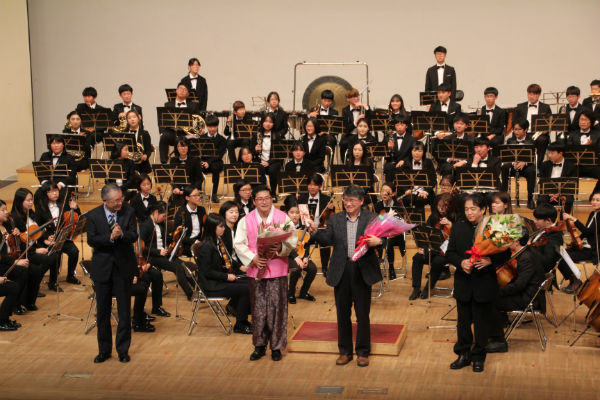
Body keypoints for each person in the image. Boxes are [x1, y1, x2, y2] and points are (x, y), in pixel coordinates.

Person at [308, 185, 383, 367]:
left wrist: (379, 241)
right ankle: (345, 351)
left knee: (362, 314)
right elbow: (327, 239)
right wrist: (314, 231)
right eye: (345, 200)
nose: (348, 203)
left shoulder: (371, 218)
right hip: (341, 269)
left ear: (361, 201)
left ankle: (363, 352)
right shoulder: (335, 219)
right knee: (342, 314)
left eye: (352, 200)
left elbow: (386, 237)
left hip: (362, 270)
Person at [446, 193, 510, 373]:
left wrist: (490, 260)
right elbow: (450, 252)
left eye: (473, 209)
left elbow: (506, 254)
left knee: (482, 324)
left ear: (483, 209)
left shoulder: (495, 226)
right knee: (463, 323)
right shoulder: (458, 227)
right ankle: (463, 354)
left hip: (484, 282)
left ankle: (479, 357)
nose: (469, 213)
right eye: (466, 209)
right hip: (464, 282)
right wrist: (461, 262)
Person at [234, 185, 296, 361]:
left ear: (271, 199)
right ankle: (259, 345)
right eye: (259, 199)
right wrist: (252, 257)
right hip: (256, 269)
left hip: (278, 268)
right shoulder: (246, 220)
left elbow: (292, 240)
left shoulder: (283, 217)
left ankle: (276, 347)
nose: (264, 202)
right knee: (258, 309)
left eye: (267, 198)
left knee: (278, 309)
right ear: (254, 201)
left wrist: (280, 247)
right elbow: (239, 243)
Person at [86, 183, 138, 363]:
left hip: (123, 268)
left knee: (124, 312)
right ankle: (104, 350)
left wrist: (121, 234)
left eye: (121, 199)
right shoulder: (93, 215)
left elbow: (134, 235)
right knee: (103, 312)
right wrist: (110, 237)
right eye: (116, 201)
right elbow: (92, 240)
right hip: (102, 269)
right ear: (105, 201)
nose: (120, 203)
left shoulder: (128, 211)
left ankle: (123, 350)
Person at [486, 231, 545, 353]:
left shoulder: (526, 258)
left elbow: (519, 285)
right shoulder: (526, 252)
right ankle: (499, 325)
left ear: (517, 242)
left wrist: (496, 291)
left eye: (510, 240)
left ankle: (499, 341)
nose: (507, 243)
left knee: (489, 301)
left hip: (528, 299)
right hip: (528, 294)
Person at [196, 213, 252, 334]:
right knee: (247, 289)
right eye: (221, 226)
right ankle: (240, 324)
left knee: (250, 282)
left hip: (218, 280)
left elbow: (227, 260)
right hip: (210, 286)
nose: (224, 229)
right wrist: (226, 276)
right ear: (212, 228)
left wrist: (240, 267)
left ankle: (237, 312)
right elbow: (207, 271)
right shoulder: (206, 246)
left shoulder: (217, 241)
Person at [139, 201, 185, 312]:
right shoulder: (145, 226)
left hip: (163, 254)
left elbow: (165, 239)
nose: (164, 219)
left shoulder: (161, 224)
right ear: (155, 212)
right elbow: (141, 248)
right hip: (151, 257)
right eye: (163, 216)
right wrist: (158, 252)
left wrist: (177, 234)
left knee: (182, 264)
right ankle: (190, 294)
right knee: (176, 267)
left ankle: (156, 307)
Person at [11, 188, 59, 294]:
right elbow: (20, 240)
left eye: (31, 199)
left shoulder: (31, 213)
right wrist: (36, 250)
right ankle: (33, 284)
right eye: (28, 200)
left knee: (54, 253)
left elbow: (36, 231)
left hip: (33, 246)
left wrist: (46, 240)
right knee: (49, 259)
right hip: (25, 251)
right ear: (20, 201)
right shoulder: (15, 218)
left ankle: (43, 283)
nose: (31, 202)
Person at [34, 181, 81, 285]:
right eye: (51, 191)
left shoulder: (64, 204)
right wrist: (46, 238)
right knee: (56, 255)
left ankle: (70, 276)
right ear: (45, 193)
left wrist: (76, 208)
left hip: (63, 237)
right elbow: (37, 228)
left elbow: (78, 216)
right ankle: (53, 282)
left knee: (74, 251)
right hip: (48, 240)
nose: (55, 193)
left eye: (56, 190)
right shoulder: (41, 209)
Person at [409, 193, 454, 300]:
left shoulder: (455, 217)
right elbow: (426, 233)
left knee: (437, 261)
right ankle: (416, 288)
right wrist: (423, 247)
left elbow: (460, 235)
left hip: (447, 252)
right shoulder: (433, 217)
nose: (441, 209)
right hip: (433, 249)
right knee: (417, 258)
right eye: (439, 206)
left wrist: (451, 224)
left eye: (444, 207)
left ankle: (428, 288)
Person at [559, 192, 600, 293]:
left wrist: (574, 219)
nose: (594, 202)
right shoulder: (593, 213)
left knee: (563, 258)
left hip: (593, 251)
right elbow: (585, 233)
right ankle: (574, 278)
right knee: (560, 254)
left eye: (598, 200)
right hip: (585, 246)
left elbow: (588, 232)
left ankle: (575, 282)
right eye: (593, 200)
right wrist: (575, 242)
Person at [298, 174, 334, 277]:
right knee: (301, 239)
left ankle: (325, 267)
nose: (312, 187)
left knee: (326, 240)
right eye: (310, 184)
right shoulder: (301, 198)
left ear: (320, 186)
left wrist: (331, 209)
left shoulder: (327, 199)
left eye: (315, 185)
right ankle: (302, 265)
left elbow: (330, 218)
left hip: (320, 230)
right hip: (305, 229)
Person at [0, 199, 29, 328]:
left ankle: (12, 308)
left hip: (6, 261)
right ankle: (2, 319)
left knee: (23, 272)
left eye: (6, 209)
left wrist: (18, 235)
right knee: (13, 287)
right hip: (3, 263)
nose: (6, 212)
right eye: (3, 210)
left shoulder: (6, 226)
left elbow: (14, 245)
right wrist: (16, 261)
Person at [283, 196, 317, 304]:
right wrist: (296, 257)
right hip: (288, 255)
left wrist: (306, 257)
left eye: (297, 212)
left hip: (301, 253)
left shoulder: (304, 226)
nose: (295, 215)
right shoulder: (284, 226)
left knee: (312, 269)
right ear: (287, 213)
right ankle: (291, 293)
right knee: (296, 268)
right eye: (292, 212)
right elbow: (286, 244)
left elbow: (306, 243)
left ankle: (304, 292)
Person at [158, 82, 201, 163]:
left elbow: (197, 121)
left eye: (185, 90)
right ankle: (164, 163)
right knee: (164, 137)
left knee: (194, 139)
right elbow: (162, 119)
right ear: (176, 90)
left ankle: (191, 163)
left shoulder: (193, 105)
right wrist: (161, 132)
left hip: (186, 133)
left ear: (188, 94)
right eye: (181, 89)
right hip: (172, 132)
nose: (182, 91)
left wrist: (196, 130)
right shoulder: (168, 105)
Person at [500, 120, 537, 209]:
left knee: (532, 171)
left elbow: (533, 156)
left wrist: (524, 162)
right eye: (515, 129)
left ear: (526, 129)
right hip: (513, 165)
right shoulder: (510, 140)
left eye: (519, 129)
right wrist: (513, 163)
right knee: (504, 167)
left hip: (526, 166)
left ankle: (530, 198)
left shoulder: (532, 141)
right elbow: (508, 156)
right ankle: (503, 198)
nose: (516, 132)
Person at [513, 84, 552, 166]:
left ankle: (538, 165)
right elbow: (514, 122)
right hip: (523, 133)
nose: (531, 96)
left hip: (539, 134)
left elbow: (549, 123)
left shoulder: (545, 107)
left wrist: (545, 130)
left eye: (534, 94)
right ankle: (518, 165)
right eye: (530, 94)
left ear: (539, 94)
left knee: (543, 140)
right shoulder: (520, 107)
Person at [373, 183, 405, 280]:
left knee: (389, 240)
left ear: (393, 193)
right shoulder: (378, 205)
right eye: (382, 191)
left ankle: (391, 267)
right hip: (381, 233)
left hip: (395, 234)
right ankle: (377, 263)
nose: (384, 193)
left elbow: (400, 221)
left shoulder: (398, 205)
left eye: (387, 191)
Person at [537, 142, 576, 213]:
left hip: (564, 193)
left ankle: (563, 219)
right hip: (548, 193)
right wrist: (550, 194)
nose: (549, 155)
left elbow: (571, 184)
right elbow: (542, 182)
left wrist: (559, 194)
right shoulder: (545, 165)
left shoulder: (571, 166)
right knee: (541, 200)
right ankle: (545, 218)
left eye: (552, 153)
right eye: (548, 153)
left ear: (560, 153)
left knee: (568, 200)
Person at [398, 142, 436, 210]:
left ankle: (420, 217)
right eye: (414, 150)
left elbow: (433, 180)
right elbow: (401, 180)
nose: (417, 153)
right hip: (409, 191)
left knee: (420, 200)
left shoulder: (428, 162)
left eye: (420, 151)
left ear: (423, 152)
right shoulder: (405, 163)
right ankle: (407, 216)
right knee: (406, 200)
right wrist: (406, 189)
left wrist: (425, 192)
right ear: (411, 151)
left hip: (424, 191)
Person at [252, 113, 283, 194]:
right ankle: (261, 192)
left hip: (273, 161)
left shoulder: (277, 135)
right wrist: (255, 150)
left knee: (273, 170)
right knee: (259, 168)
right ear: (262, 122)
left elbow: (280, 154)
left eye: (270, 122)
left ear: (273, 124)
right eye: (266, 121)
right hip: (259, 161)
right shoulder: (256, 134)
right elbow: (251, 151)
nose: (268, 124)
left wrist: (268, 162)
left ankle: (273, 193)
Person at [173, 185, 207, 258]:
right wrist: (194, 242)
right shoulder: (180, 213)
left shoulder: (202, 210)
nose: (198, 197)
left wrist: (209, 218)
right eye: (195, 195)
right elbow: (178, 237)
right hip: (185, 245)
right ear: (187, 198)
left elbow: (206, 228)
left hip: (199, 242)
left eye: (199, 195)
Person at [200, 114, 227, 203]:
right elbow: (199, 152)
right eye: (209, 127)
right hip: (204, 162)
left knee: (215, 167)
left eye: (214, 126)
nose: (212, 129)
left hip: (216, 162)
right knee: (196, 166)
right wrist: (202, 162)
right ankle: (198, 191)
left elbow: (219, 155)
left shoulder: (222, 140)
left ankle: (214, 193)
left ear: (217, 126)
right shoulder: (201, 138)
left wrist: (208, 162)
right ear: (206, 126)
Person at [169, 138, 204, 202]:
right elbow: (172, 179)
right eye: (180, 146)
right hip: (178, 190)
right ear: (176, 148)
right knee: (171, 202)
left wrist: (190, 190)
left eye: (185, 146)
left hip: (191, 190)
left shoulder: (195, 160)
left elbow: (199, 179)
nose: (183, 148)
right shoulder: (173, 160)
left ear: (188, 147)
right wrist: (175, 188)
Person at [340, 88, 370, 163]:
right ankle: (345, 164)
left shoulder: (363, 107)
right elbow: (346, 128)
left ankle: (368, 163)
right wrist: (356, 121)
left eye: (357, 96)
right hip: (350, 134)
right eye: (353, 97)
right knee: (343, 143)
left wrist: (365, 106)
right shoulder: (345, 110)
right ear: (348, 99)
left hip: (363, 134)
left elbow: (372, 117)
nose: (356, 98)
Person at [384, 116, 417, 182]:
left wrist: (404, 161)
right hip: (392, 163)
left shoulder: (412, 139)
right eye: (397, 125)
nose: (399, 127)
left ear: (406, 126)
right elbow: (385, 157)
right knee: (389, 167)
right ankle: (389, 186)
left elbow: (413, 154)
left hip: (406, 163)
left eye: (402, 125)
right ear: (394, 126)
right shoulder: (388, 138)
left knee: (403, 167)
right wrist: (389, 149)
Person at [219, 201, 247, 276]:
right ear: (224, 213)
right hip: (227, 267)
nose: (234, 214)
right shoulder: (221, 231)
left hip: (239, 263)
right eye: (231, 212)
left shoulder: (238, 229)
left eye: (236, 212)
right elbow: (224, 255)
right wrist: (240, 266)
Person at [124, 110, 152, 175]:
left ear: (138, 118)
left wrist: (145, 156)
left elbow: (148, 150)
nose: (132, 119)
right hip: (128, 163)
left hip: (142, 164)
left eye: (134, 117)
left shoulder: (145, 133)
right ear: (127, 120)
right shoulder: (124, 134)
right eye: (129, 118)